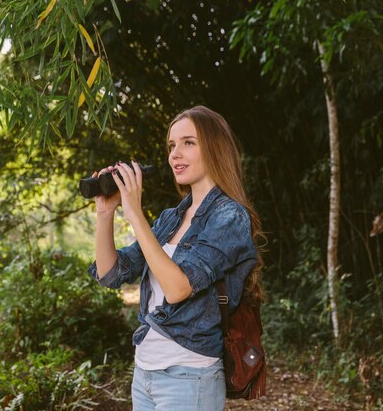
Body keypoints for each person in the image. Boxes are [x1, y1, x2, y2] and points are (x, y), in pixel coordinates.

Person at [88, 105, 264, 411]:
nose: (175, 154)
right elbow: (112, 274)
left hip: (189, 376)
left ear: (215, 148)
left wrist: (135, 213)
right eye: (172, 146)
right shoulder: (171, 218)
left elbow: (178, 288)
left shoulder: (230, 217)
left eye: (188, 143)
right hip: (144, 371)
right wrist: (107, 213)